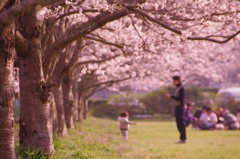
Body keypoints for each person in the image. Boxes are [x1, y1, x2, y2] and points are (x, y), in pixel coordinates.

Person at [165, 76, 186, 143]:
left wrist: (171, 97)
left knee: (181, 123)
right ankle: (181, 138)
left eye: (174, 81)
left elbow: (180, 99)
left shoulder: (181, 89)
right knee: (178, 123)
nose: (173, 82)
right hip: (177, 107)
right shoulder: (177, 88)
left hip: (180, 107)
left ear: (178, 81)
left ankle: (183, 138)